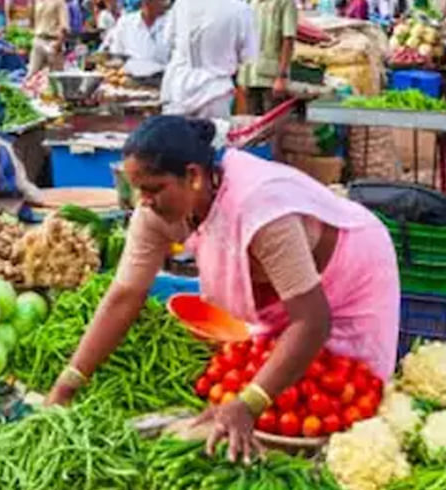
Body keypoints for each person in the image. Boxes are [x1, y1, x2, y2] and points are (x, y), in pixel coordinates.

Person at [46, 116, 399, 460]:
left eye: (153, 189)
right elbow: (125, 296)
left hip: (349, 270)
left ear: (194, 176)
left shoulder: (258, 207)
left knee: (347, 396)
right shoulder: (154, 214)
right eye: (138, 189)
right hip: (282, 292)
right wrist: (68, 383)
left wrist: (248, 403)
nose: (144, 201)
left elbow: (311, 321)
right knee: (286, 384)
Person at [160, 0, 257, 118]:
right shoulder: (241, 9)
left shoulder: (181, 3)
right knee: (213, 134)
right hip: (215, 93)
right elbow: (248, 55)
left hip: (177, 89)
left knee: (174, 135)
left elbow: (168, 41)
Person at [240, 0, 295, 114]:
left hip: (271, 78)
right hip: (250, 75)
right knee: (253, 123)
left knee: (272, 125)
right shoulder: (251, 3)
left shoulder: (285, 3)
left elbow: (288, 40)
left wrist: (281, 77)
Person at [102, 0, 169, 78]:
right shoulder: (125, 23)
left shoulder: (173, 23)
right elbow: (117, 55)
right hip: (129, 81)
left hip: (162, 80)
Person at [29, 0, 69, 75]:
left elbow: (64, 27)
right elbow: (32, 20)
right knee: (32, 75)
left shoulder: (59, 2)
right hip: (38, 40)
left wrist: (58, 44)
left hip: (53, 41)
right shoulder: (37, 2)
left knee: (55, 76)